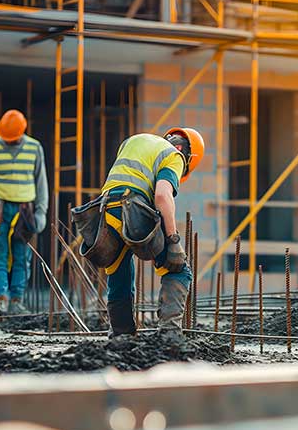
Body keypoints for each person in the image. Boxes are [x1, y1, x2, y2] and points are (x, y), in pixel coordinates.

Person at [73, 127, 204, 336]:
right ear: (188, 156)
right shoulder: (175, 156)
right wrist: (173, 239)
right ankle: (169, 335)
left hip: (106, 209)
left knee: (118, 272)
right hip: (134, 207)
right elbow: (162, 195)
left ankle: (121, 336)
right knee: (178, 268)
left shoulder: (134, 141)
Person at [0, 109, 48, 315]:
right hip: (0, 208)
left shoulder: (34, 148)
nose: (9, 142)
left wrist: (42, 211)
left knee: (22, 256)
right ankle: (1, 298)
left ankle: (16, 300)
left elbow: (41, 182)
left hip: (25, 210)